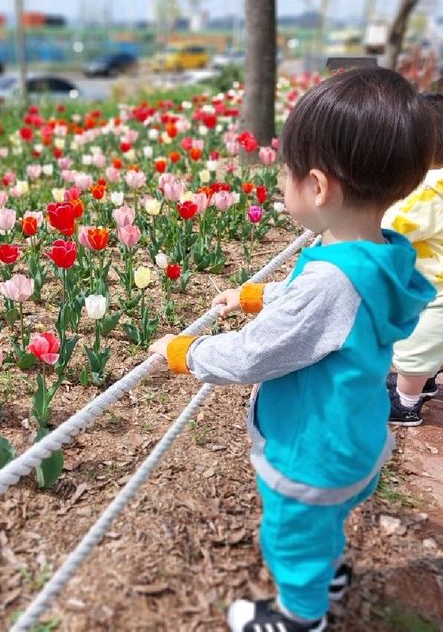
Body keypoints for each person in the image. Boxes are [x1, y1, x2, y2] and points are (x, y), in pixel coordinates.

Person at [149, 67, 436, 632]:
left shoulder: (331, 280)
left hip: (313, 453)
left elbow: (257, 354)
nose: (280, 182)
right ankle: (326, 572)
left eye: (285, 173)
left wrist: (186, 353)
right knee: (322, 524)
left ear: (319, 187)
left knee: (290, 535)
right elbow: (323, 304)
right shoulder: (380, 253)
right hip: (358, 436)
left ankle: (300, 616)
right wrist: (262, 295)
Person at [382, 93, 443, 426]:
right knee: (433, 346)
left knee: (415, 349)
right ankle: (427, 384)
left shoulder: (426, 191)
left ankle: (406, 404)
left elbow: (390, 227)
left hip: (433, 292)